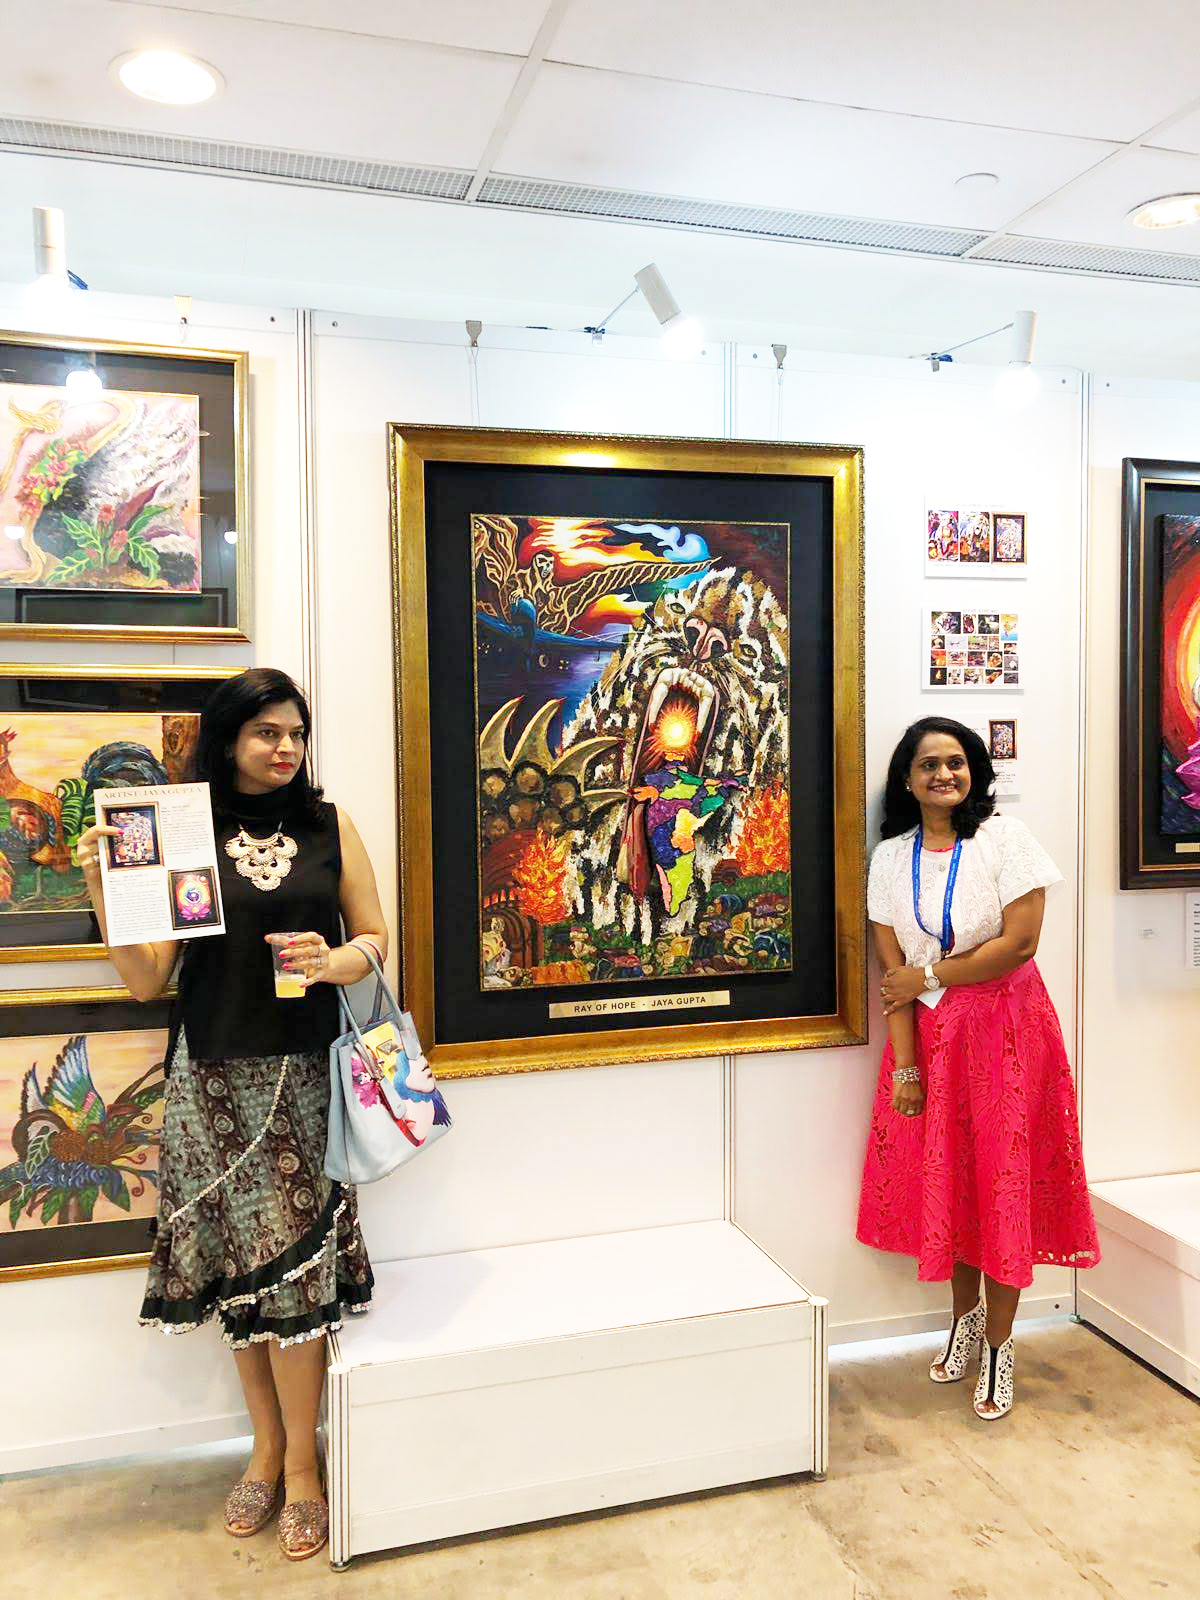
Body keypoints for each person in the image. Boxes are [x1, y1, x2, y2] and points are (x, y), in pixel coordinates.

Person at [77, 667, 388, 1559]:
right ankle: (266, 1450)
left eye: (296, 732)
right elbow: (147, 980)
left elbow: (374, 938)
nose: (286, 747)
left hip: (304, 1079)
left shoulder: (329, 825)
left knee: (295, 1276)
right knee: (237, 1274)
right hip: (210, 1078)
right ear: (228, 738)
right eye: (266, 732)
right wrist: (103, 882)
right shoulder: (180, 828)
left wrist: (337, 961)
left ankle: (303, 1469)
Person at [855, 716, 1098, 1420]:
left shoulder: (1005, 839)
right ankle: (963, 1325)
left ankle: (1000, 1346)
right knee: (955, 1184)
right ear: (907, 780)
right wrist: (906, 1069)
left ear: (975, 772)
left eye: (956, 762)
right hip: (933, 1039)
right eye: (928, 764)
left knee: (1002, 1185)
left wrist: (929, 974)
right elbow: (892, 977)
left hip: (1007, 1036)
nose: (944, 775)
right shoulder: (890, 859)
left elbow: (1019, 945)